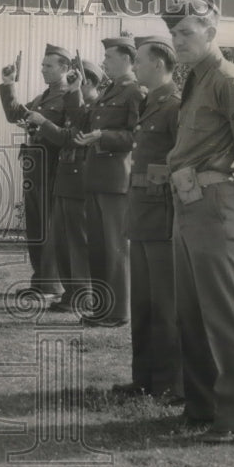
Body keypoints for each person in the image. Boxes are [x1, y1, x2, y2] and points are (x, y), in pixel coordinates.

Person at [164, 0, 234, 443]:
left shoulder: (229, 79)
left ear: (211, 33)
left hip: (214, 203)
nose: (177, 40)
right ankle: (202, 405)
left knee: (224, 314)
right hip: (188, 201)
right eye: (174, 34)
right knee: (191, 312)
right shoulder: (196, 79)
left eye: (186, 32)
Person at [117, 33, 183, 401]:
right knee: (142, 303)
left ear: (158, 64)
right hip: (142, 214)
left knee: (165, 304)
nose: (135, 65)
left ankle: (170, 381)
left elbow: (182, 160)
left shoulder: (174, 104)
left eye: (139, 60)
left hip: (162, 218)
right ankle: (143, 378)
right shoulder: (149, 102)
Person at [70, 35, 143, 327]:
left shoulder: (135, 92)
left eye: (109, 58)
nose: (103, 63)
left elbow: (138, 136)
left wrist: (105, 136)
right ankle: (103, 309)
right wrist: (75, 92)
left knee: (114, 248)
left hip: (116, 181)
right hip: (97, 178)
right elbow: (83, 121)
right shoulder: (109, 91)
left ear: (127, 60)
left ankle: (117, 312)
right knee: (99, 248)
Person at [26, 60, 106, 315]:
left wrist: (44, 124)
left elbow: (69, 138)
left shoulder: (93, 108)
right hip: (67, 177)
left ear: (88, 83)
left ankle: (81, 296)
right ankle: (72, 294)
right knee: (64, 242)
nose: (72, 88)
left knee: (77, 243)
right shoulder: (80, 108)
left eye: (76, 82)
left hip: (80, 178)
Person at [0, 45, 71, 303]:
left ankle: (53, 284)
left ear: (64, 68)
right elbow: (15, 114)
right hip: (35, 167)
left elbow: (66, 136)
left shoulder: (69, 97)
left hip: (52, 167)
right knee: (36, 226)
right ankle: (40, 280)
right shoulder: (44, 97)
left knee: (50, 225)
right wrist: (9, 84)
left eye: (48, 65)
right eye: (42, 65)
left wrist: (41, 123)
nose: (43, 69)